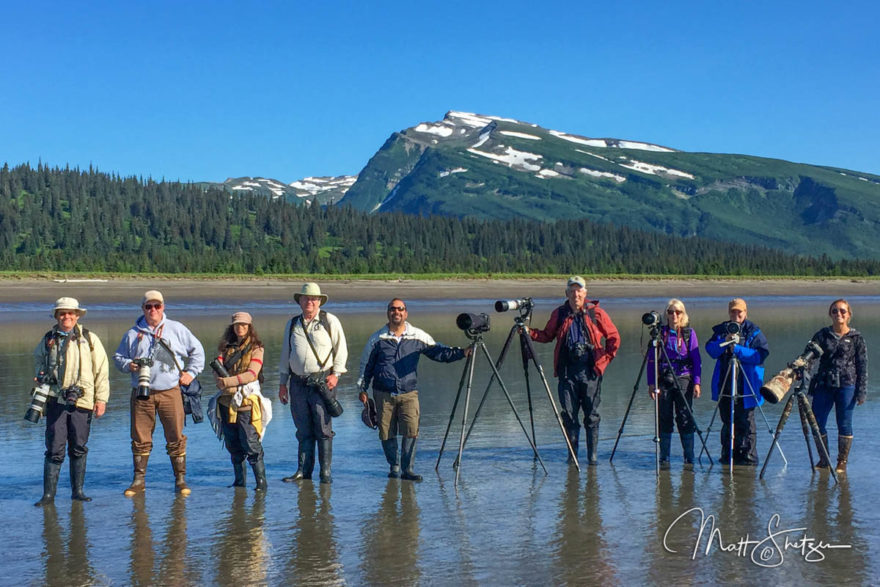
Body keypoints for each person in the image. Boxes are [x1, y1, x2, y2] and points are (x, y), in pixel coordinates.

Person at [357, 298, 469, 481]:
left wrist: (462, 353)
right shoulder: (377, 338)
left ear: (406, 313)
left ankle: (407, 470)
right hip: (382, 393)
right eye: (393, 309)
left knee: (411, 431)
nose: (396, 312)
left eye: (400, 309)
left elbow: (439, 352)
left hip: (409, 393)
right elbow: (366, 365)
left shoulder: (417, 336)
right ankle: (394, 466)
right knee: (386, 433)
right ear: (388, 313)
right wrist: (362, 389)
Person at [114, 290, 205, 496]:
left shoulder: (176, 329)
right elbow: (118, 357)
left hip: (170, 391)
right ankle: (139, 480)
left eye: (157, 306)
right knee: (140, 436)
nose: (153, 310)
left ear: (163, 307)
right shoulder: (132, 333)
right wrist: (129, 365)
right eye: (149, 306)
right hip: (141, 392)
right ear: (143, 309)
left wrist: (190, 373)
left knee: (175, 435)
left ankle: (180, 480)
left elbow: (197, 351)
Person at [529, 276, 620, 465]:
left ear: (585, 293)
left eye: (579, 290)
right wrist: (528, 332)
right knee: (569, 415)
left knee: (591, 415)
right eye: (572, 290)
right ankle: (572, 457)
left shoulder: (596, 313)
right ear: (567, 293)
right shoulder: (559, 314)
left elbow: (614, 338)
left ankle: (592, 460)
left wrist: (603, 361)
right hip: (567, 371)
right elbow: (546, 336)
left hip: (590, 372)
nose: (576, 294)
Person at [32, 297, 109, 506]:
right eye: (62, 313)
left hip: (83, 401)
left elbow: (102, 371)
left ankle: (78, 492)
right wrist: (40, 375)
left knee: (79, 447)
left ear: (77, 316)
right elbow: (38, 359)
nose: (67, 317)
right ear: (57, 316)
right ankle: (48, 496)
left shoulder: (89, 339)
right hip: (55, 399)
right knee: (54, 448)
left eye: (70, 313)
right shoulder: (49, 338)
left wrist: (101, 399)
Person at [279, 283, 348, 484]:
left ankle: (324, 473)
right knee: (303, 429)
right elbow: (286, 354)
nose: (310, 301)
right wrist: (283, 383)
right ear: (300, 301)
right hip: (297, 383)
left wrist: (336, 374)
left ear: (319, 301)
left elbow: (341, 349)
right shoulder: (292, 324)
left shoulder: (330, 321)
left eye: (314, 299)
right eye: (306, 298)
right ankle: (303, 471)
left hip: (322, 383)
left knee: (323, 428)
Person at [705, 298, 768, 466]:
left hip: (746, 387)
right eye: (733, 311)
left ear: (745, 313)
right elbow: (710, 350)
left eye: (739, 311)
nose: (736, 314)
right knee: (727, 422)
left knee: (746, 424)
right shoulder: (721, 330)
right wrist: (725, 341)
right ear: (729, 313)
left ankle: (747, 459)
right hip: (725, 385)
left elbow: (760, 355)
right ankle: (728, 457)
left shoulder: (753, 331)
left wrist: (738, 349)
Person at [808, 299, 868, 474]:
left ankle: (842, 462)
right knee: (817, 422)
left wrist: (861, 391)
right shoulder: (822, 335)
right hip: (824, 384)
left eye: (842, 311)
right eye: (835, 311)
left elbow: (862, 366)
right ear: (830, 314)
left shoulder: (856, 338)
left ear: (849, 315)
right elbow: (809, 357)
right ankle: (824, 459)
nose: (838, 314)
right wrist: (801, 372)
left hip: (847, 385)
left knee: (844, 424)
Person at [214, 312, 269, 490]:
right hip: (225, 402)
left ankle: (261, 482)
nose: (240, 328)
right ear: (233, 327)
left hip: (247, 402)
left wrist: (228, 382)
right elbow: (217, 368)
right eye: (238, 325)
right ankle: (239, 481)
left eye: (244, 325)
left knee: (250, 442)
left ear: (249, 327)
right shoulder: (224, 347)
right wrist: (220, 381)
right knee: (232, 443)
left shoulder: (257, 348)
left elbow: (252, 373)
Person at [647, 298, 702, 469]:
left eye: (677, 312)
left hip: (684, 377)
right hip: (664, 378)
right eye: (670, 312)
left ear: (683, 314)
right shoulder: (660, 334)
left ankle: (689, 457)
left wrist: (697, 382)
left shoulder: (688, 334)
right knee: (664, 417)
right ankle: (664, 458)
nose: (674, 315)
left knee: (685, 417)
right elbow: (651, 360)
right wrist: (651, 383)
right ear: (666, 315)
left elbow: (696, 359)